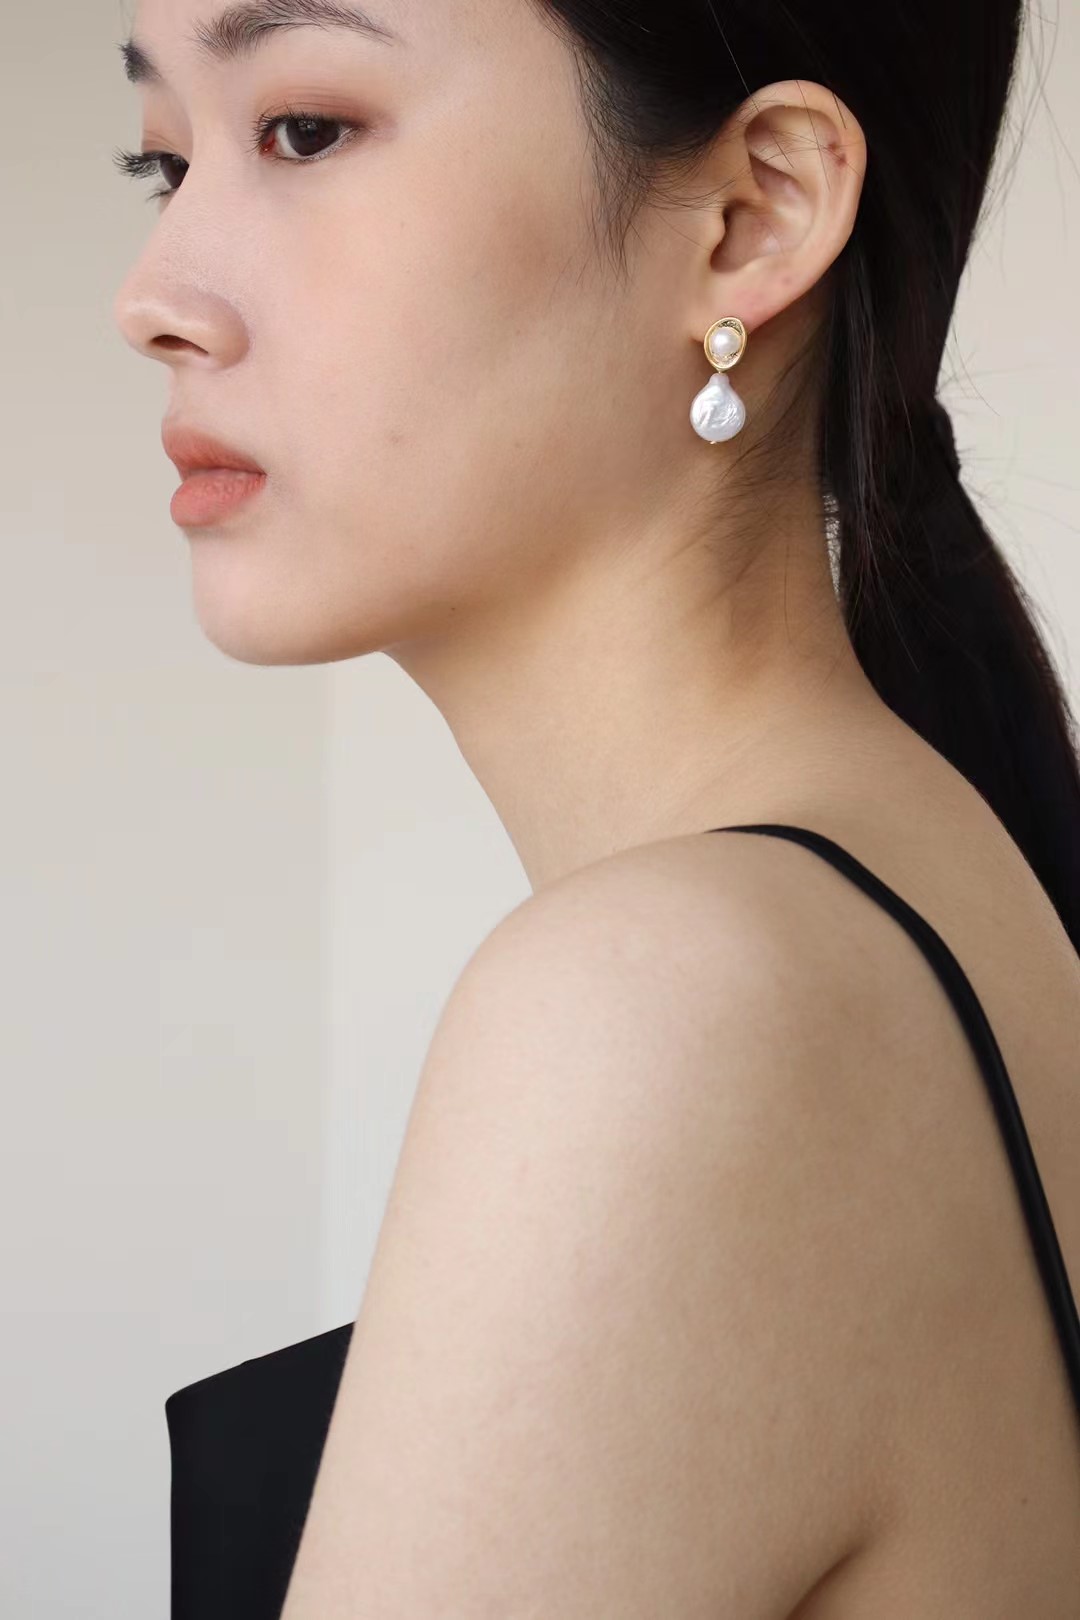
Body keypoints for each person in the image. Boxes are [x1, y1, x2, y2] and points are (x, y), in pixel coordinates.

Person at [111, 0, 1080, 1614]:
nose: (152, 300)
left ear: (753, 215)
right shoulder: (924, 900)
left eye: (302, 131)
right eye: (163, 163)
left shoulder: (678, 1002)